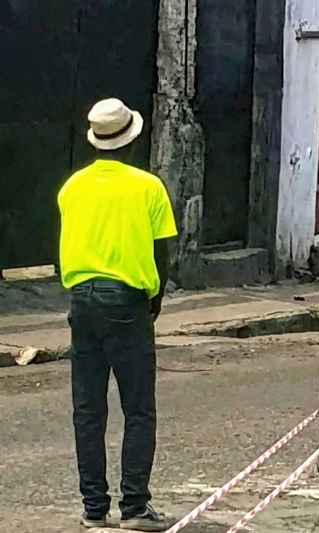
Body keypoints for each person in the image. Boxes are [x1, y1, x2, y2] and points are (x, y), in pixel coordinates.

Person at [58, 98, 178, 531]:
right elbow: (161, 252)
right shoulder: (148, 187)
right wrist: (155, 298)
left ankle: (94, 509)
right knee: (138, 409)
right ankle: (134, 507)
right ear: (132, 139)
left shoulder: (72, 188)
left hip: (82, 299)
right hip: (127, 300)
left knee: (88, 409)